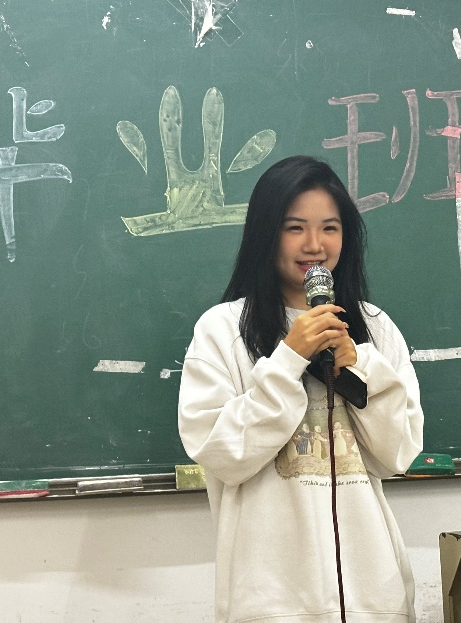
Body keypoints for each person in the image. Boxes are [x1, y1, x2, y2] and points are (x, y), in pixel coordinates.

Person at [178, 155, 424, 623]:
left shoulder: (373, 328)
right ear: (266, 234)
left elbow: (397, 455)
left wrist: (362, 366)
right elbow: (222, 454)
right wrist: (288, 359)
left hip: (373, 597)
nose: (315, 244)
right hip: (270, 601)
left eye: (330, 228)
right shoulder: (222, 329)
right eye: (295, 228)